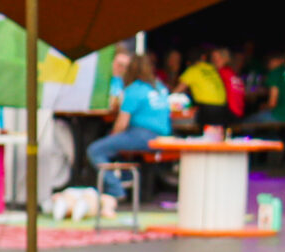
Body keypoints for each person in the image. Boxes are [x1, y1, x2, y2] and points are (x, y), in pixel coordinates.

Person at [90, 53, 173, 198]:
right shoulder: (160, 87)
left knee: (96, 150)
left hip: (141, 135)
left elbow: (121, 124)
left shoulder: (134, 89)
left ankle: (116, 190)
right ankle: (126, 177)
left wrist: (111, 138)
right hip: (162, 136)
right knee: (117, 146)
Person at [178, 47, 236, 132]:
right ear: (203, 58)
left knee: (195, 129)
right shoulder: (212, 68)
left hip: (207, 110)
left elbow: (176, 92)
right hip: (223, 109)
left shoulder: (192, 70)